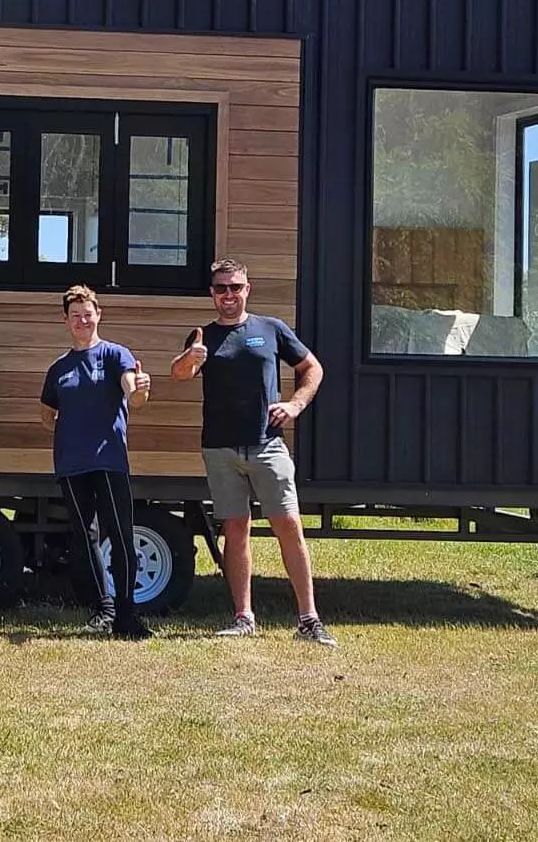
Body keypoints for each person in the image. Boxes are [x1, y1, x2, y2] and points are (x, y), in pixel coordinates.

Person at [170, 259, 336, 646]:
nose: (228, 294)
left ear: (248, 289)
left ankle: (309, 620)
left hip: (267, 444)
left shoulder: (271, 329)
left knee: (289, 526)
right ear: (212, 293)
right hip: (220, 448)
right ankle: (244, 617)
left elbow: (312, 368)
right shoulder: (203, 335)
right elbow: (179, 374)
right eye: (220, 288)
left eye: (235, 287)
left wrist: (295, 405)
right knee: (235, 529)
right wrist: (189, 360)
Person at [39, 284, 154, 641]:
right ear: (65, 320)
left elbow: (133, 396)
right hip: (71, 464)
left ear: (98, 315)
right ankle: (102, 610)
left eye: (88, 314)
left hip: (108, 462)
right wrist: (60, 423)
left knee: (118, 535)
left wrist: (140, 389)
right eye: (75, 316)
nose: (82, 321)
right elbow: (46, 414)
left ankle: (126, 614)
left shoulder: (116, 355)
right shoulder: (59, 367)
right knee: (84, 537)